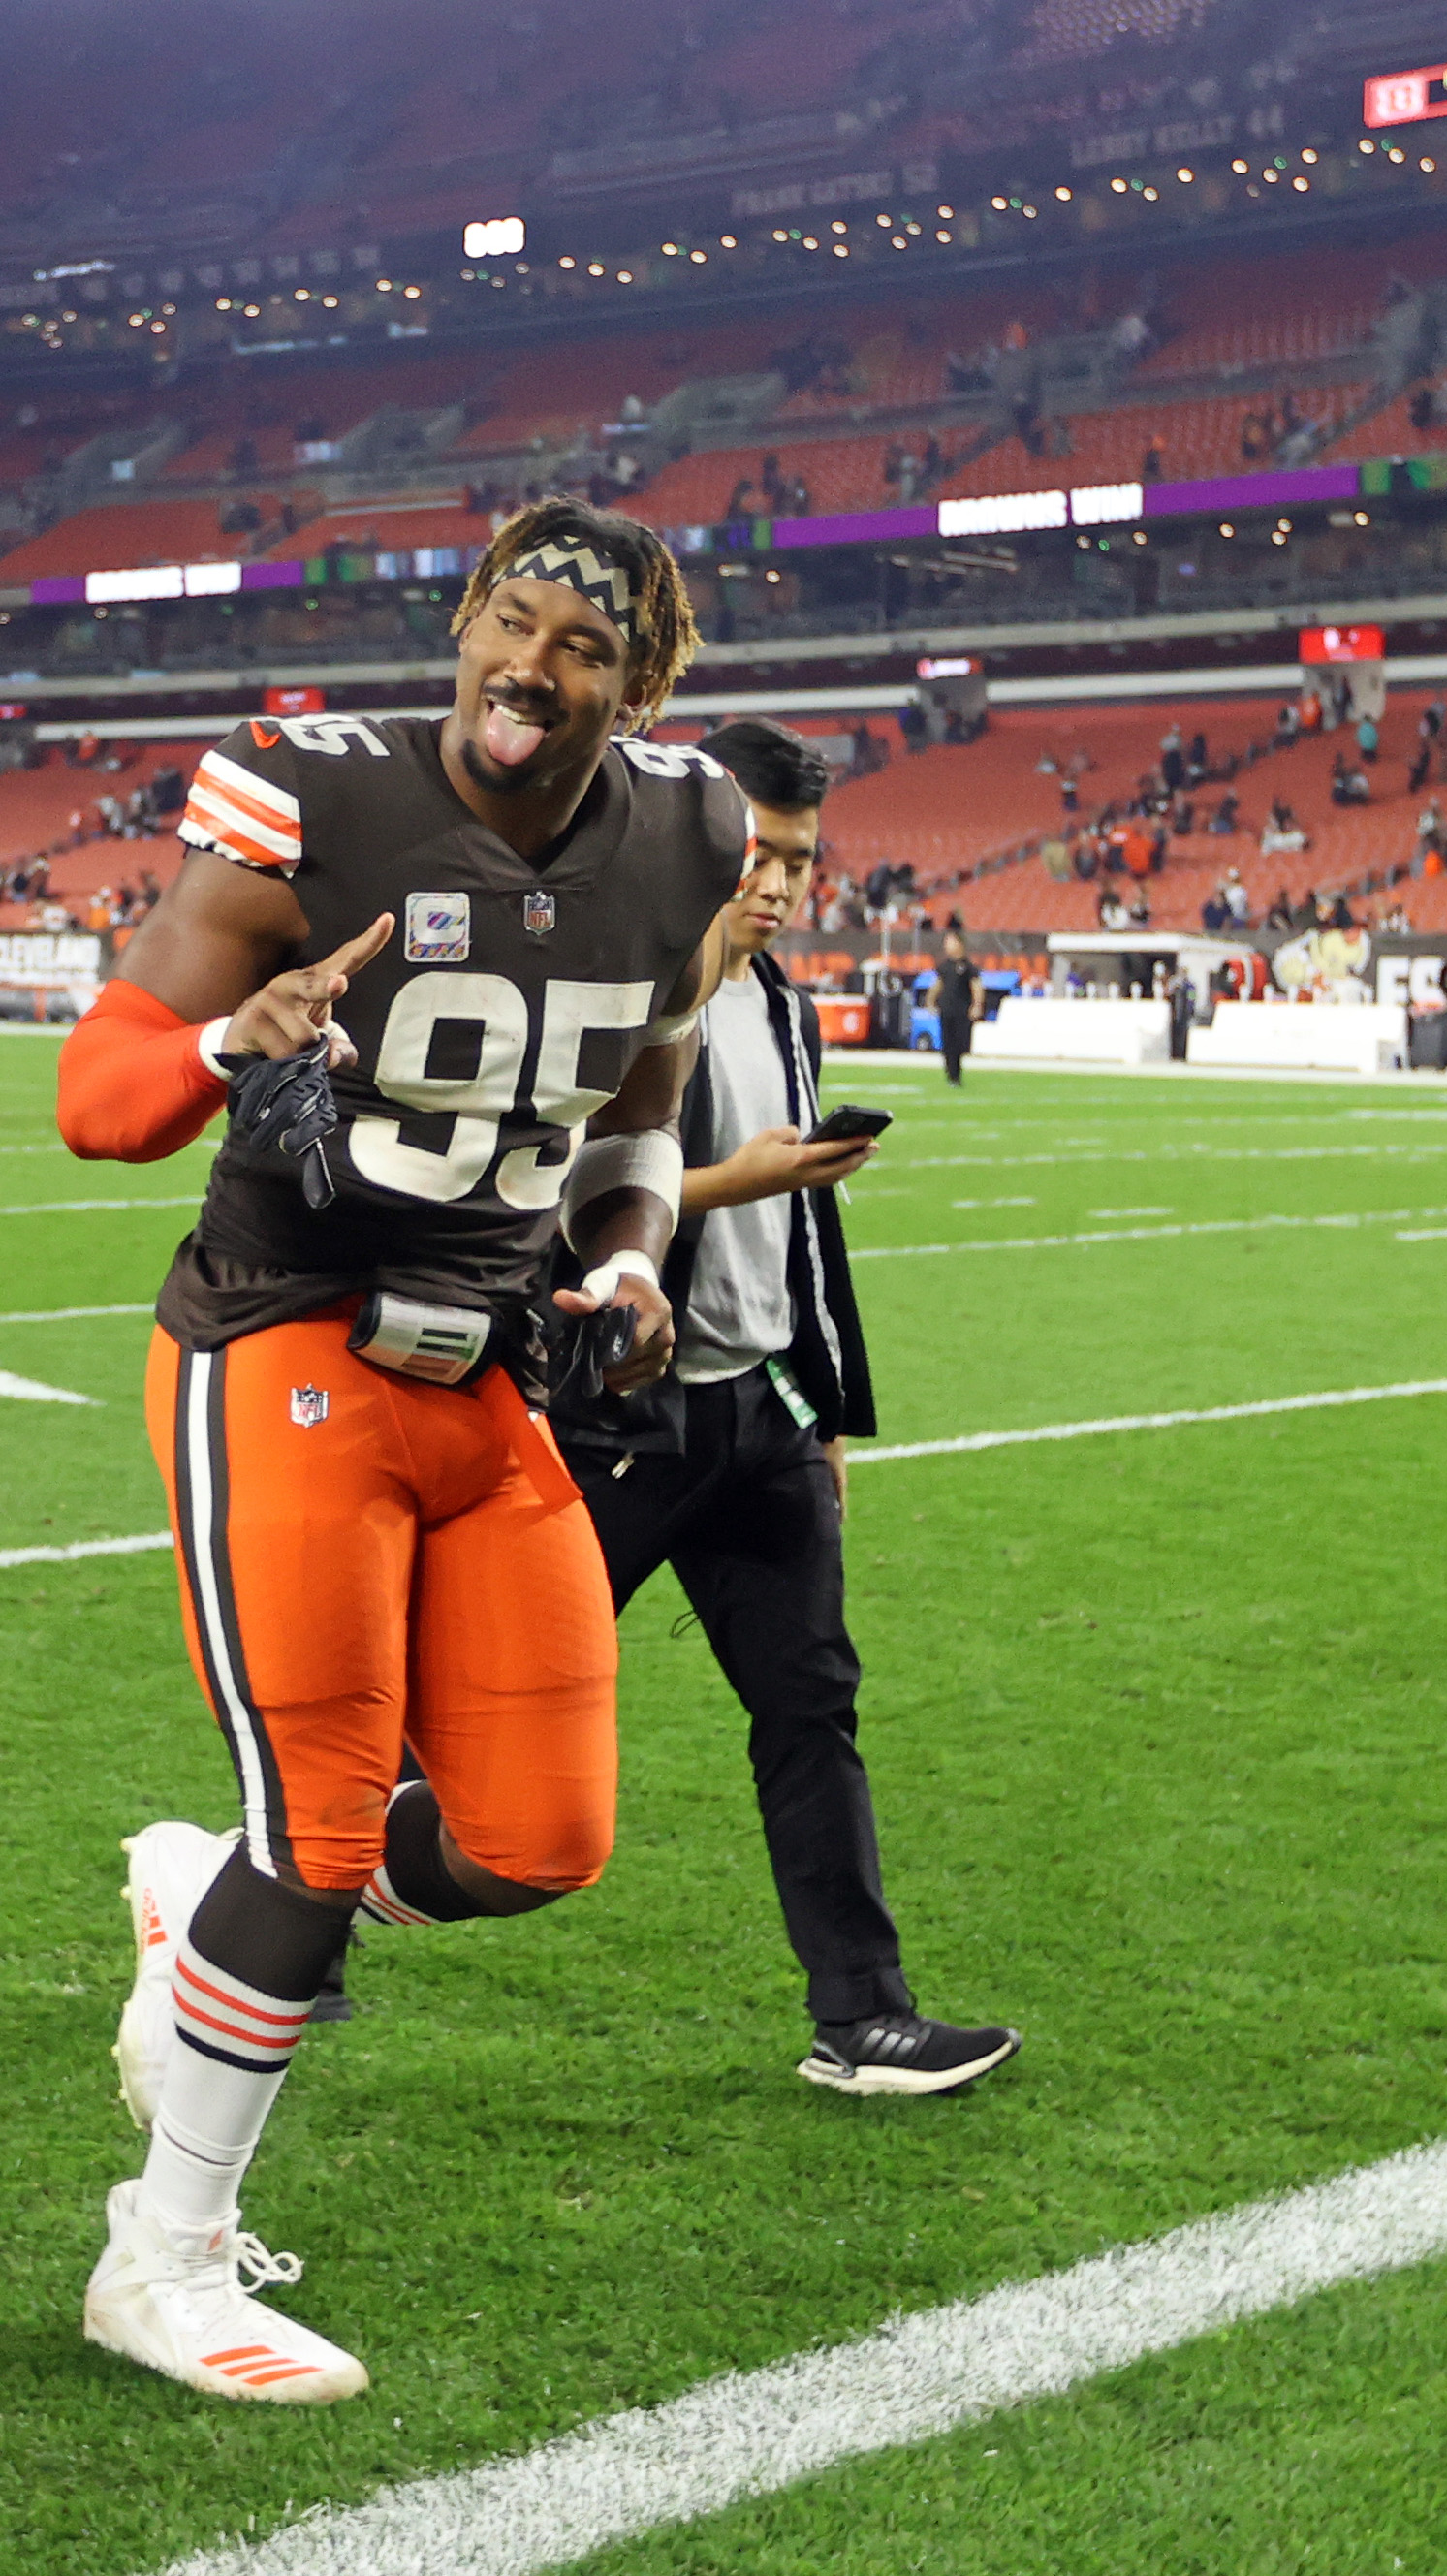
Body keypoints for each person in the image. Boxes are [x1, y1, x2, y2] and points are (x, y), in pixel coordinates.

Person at [50, 497, 741, 2405]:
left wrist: (625, 1258)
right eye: (507, 623)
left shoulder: (688, 842)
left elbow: (639, 1123)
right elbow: (93, 1100)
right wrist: (219, 1048)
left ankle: (204, 1902)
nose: (531, 668)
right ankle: (160, 2260)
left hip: (482, 1379)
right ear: (460, 627)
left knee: (536, 1840)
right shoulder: (308, 802)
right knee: (327, 1819)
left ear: (637, 682)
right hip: (278, 1338)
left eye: (580, 646)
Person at [557, 719, 1012, 2091]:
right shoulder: (611, 988)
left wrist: (820, 1414)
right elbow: (538, 1207)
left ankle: (860, 2013)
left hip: (753, 1417)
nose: (772, 881)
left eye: (797, 861)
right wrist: (721, 1184)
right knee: (475, 1709)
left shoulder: (788, 1005)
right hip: (617, 1424)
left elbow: (803, 1242)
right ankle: (260, 1911)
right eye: (752, 851)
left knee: (812, 1702)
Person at [935, 928, 977, 1084]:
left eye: (950, 942)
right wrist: (930, 1000)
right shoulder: (945, 966)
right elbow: (938, 984)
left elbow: (976, 986)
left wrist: (976, 1005)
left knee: (959, 1043)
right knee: (947, 1043)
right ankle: (950, 1075)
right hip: (946, 1009)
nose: (947, 945)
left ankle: (956, 1074)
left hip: (961, 1010)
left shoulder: (967, 966)